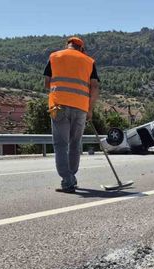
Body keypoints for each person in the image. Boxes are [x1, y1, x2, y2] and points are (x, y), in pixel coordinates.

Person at [44, 36, 100, 193]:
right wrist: (90, 109)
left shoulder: (54, 57)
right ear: (81, 48)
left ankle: (67, 179)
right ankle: (72, 176)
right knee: (75, 143)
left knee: (61, 145)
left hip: (59, 106)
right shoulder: (89, 61)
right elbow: (94, 87)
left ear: (67, 45)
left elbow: (46, 83)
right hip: (81, 108)